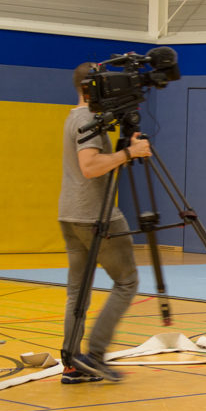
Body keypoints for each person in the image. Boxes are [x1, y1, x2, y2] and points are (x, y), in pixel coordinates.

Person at [58, 62, 152, 383]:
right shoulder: (88, 119)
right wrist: (129, 154)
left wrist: (125, 148)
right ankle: (95, 355)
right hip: (95, 215)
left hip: (70, 214)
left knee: (77, 292)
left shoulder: (75, 116)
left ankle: (73, 363)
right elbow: (90, 167)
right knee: (127, 282)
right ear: (92, 86)